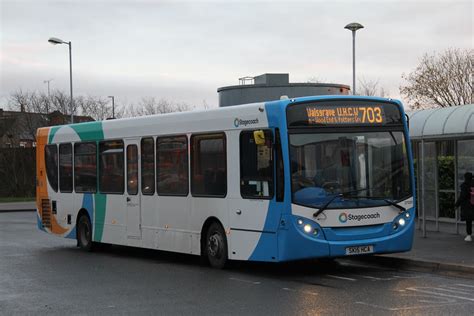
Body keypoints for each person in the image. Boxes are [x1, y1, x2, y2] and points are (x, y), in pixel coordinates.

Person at [455, 172, 474, 242]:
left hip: (468, 205)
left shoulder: (465, 185)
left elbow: (462, 196)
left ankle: (469, 235)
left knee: (468, 221)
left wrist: (457, 204)